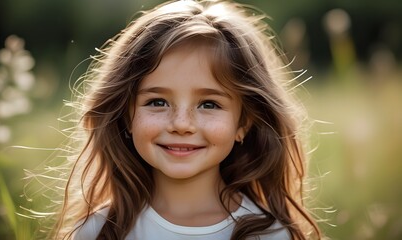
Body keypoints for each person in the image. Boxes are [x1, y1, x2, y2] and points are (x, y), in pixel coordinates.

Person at [50, 0, 322, 239]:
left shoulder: (268, 234)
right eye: (157, 102)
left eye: (209, 104)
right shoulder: (98, 231)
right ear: (126, 116)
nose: (181, 124)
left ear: (244, 123)